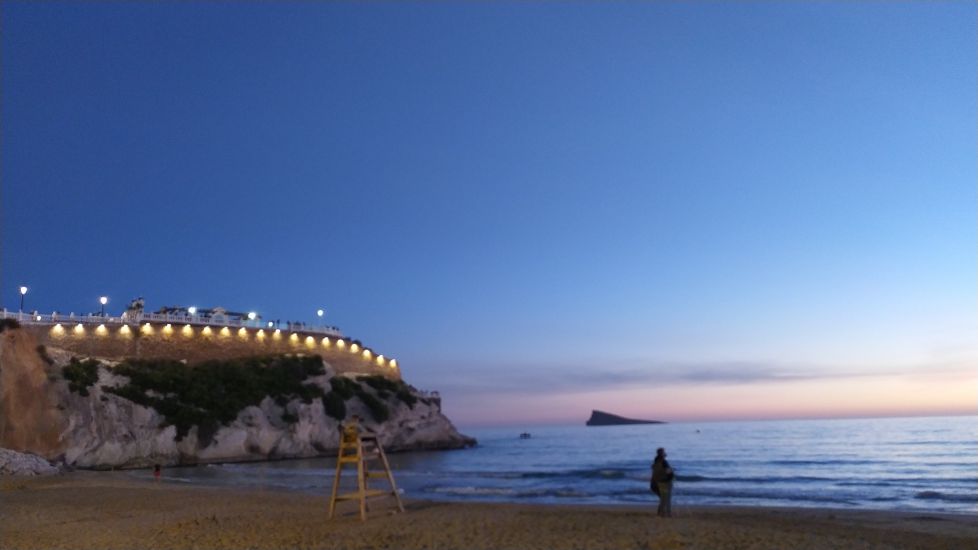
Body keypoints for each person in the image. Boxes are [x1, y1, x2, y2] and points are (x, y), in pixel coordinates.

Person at [651, 447, 674, 517]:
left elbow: (656, 473)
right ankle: (668, 513)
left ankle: (661, 513)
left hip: (660, 482)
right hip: (666, 482)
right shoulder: (664, 462)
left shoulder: (656, 461)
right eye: (664, 452)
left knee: (663, 498)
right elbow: (669, 472)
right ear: (662, 453)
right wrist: (672, 475)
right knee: (667, 498)